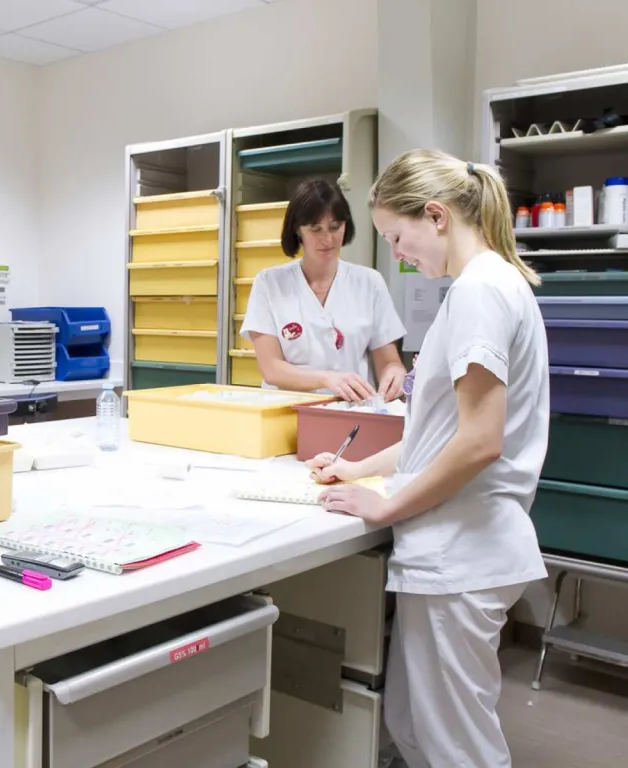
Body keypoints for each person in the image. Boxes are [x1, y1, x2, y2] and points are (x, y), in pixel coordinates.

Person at [308, 149, 549, 768]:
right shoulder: (485, 287)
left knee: (457, 747)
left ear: (436, 216)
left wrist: (387, 505)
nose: (397, 254)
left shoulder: (480, 293)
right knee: (411, 724)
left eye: (396, 235)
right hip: (455, 548)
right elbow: (436, 431)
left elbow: (478, 441)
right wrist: (358, 470)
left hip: (461, 552)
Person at [240, 178, 407, 402]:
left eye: (335, 227)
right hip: (287, 413)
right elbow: (271, 368)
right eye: (315, 229)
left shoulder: (370, 283)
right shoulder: (270, 283)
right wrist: (328, 379)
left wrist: (394, 374)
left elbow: (388, 361)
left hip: (352, 413)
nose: (327, 239)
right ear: (298, 230)